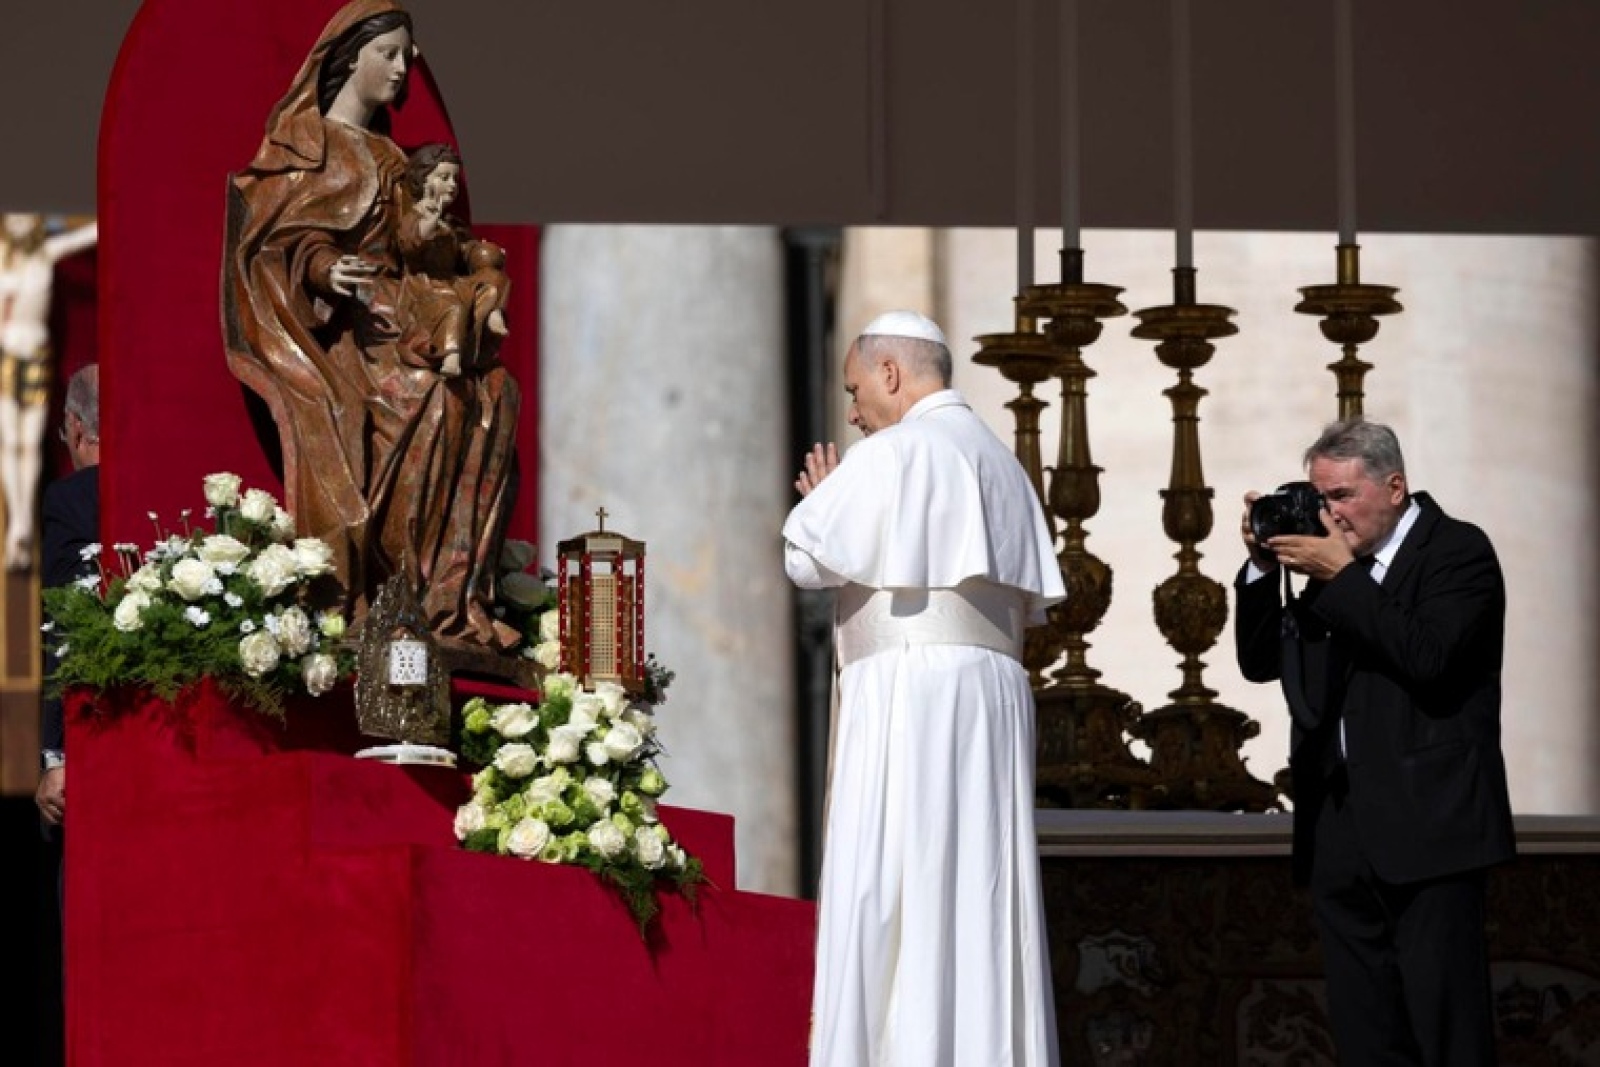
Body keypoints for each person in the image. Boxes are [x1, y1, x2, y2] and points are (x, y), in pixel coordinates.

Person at [783, 310, 1065, 1067]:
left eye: (854, 390)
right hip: (992, 698)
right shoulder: (1003, 462)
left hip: (909, 694)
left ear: (890, 373)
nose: (852, 412)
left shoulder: (891, 452)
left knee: (895, 885)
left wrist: (827, 500)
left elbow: (805, 560)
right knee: (978, 892)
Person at [222, 0, 521, 652]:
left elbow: (423, 241)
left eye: (406, 55)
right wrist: (325, 268)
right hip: (348, 337)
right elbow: (272, 247)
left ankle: (452, 600)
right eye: (388, 53)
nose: (401, 67)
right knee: (433, 394)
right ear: (347, 57)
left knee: (498, 391)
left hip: (408, 311)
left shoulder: (393, 156)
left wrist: (469, 267)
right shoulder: (306, 149)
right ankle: (396, 590)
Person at [1234, 417, 1514, 1066]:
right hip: (1340, 830)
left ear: (1394, 487)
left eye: (1342, 496)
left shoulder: (1456, 551)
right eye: (1319, 497)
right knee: (1365, 1034)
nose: (1329, 513)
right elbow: (1261, 660)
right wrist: (1262, 566)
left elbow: (1429, 657)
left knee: (1446, 1030)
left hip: (1432, 829)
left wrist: (1340, 577)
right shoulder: (1333, 570)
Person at [33, 362, 98, 1067]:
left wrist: (57, 754)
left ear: (76, 429)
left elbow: (67, 629)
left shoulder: (75, 498)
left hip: (95, 756)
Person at [0, 212, 97, 571]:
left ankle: (21, 522)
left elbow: (81, 236)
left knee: (24, 443)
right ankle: (18, 519)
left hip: (33, 358)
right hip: (13, 358)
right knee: (13, 444)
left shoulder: (44, 254)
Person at [398, 143, 510, 379]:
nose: (452, 185)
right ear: (424, 180)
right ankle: (451, 356)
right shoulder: (417, 215)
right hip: (426, 286)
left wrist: (484, 251)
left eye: (455, 179)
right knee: (453, 305)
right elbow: (411, 242)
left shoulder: (450, 223)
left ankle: (493, 314)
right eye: (444, 178)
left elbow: (462, 251)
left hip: (453, 281)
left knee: (495, 278)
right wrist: (431, 220)